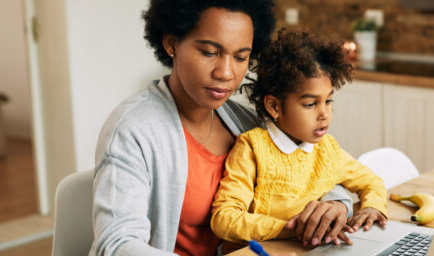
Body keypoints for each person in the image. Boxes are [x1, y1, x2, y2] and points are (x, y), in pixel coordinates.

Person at [90, 1, 354, 255]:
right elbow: (117, 245)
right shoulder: (133, 130)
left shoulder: (244, 122)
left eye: (241, 57)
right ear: (171, 43)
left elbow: (311, 168)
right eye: (210, 52)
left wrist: (335, 204)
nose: (226, 73)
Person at [210, 29, 389, 248]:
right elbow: (224, 219)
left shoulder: (328, 149)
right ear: (274, 106)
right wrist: (291, 228)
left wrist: (373, 207)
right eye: (310, 104)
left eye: (328, 101)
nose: (324, 114)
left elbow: (372, 182)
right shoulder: (252, 147)